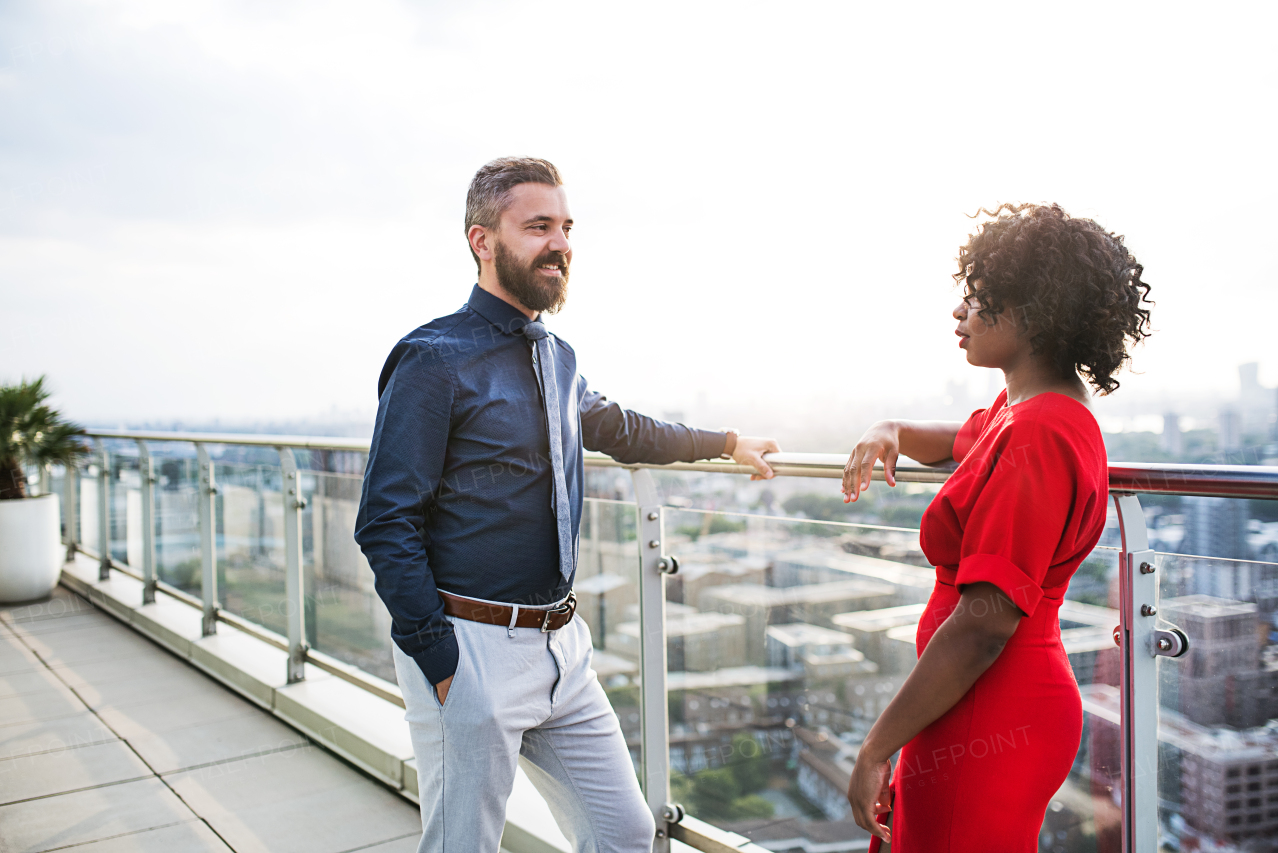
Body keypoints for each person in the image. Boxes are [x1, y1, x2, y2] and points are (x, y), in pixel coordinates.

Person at [354, 156, 781, 853]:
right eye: (538, 226)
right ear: (482, 241)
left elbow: (621, 428)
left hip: (563, 648)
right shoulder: (433, 359)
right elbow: (384, 520)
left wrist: (728, 441)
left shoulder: (557, 355)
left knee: (625, 833)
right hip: (472, 645)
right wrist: (439, 656)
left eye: (566, 227)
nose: (559, 243)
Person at [842, 203, 1153, 851]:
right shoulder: (1025, 414)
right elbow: (962, 439)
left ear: (1033, 310)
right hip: (969, 702)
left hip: (991, 704)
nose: (961, 313)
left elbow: (985, 622)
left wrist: (876, 745)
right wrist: (890, 430)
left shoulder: (1039, 434)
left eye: (979, 297)